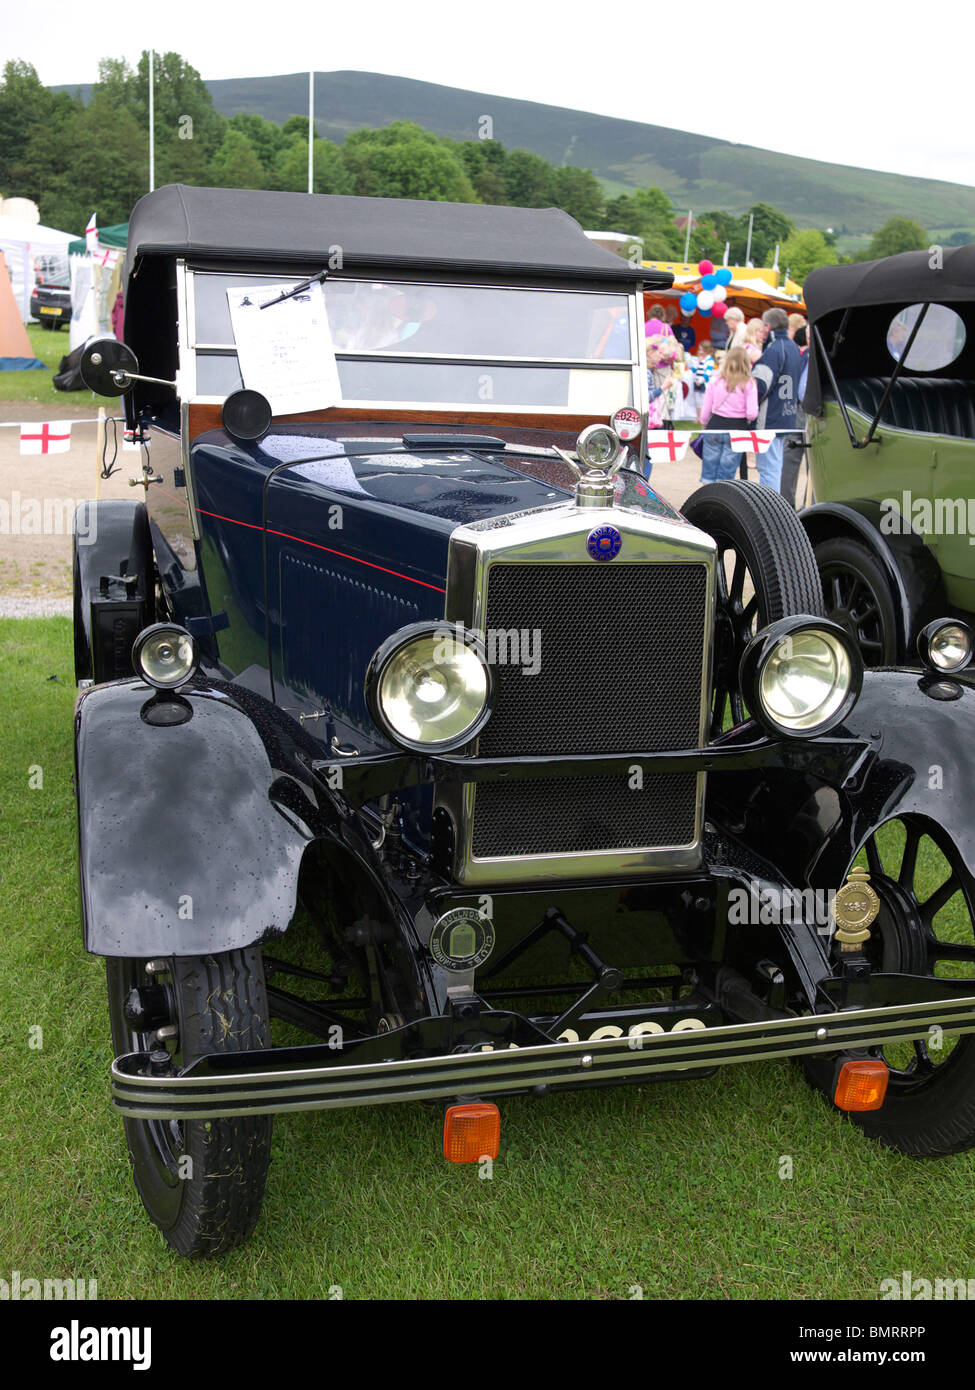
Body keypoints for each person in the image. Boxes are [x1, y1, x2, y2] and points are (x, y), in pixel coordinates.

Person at [752, 307, 804, 491]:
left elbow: (761, 386)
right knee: (775, 466)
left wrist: (749, 405)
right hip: (788, 413)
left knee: (769, 469)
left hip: (771, 417)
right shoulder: (792, 346)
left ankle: (770, 509)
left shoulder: (774, 349)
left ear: (767, 327)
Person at [698, 347, 758, 484]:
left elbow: (706, 407)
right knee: (726, 471)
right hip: (737, 428)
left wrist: (703, 421)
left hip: (715, 425)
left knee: (709, 469)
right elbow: (752, 413)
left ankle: (707, 497)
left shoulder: (715, 380)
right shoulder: (749, 383)